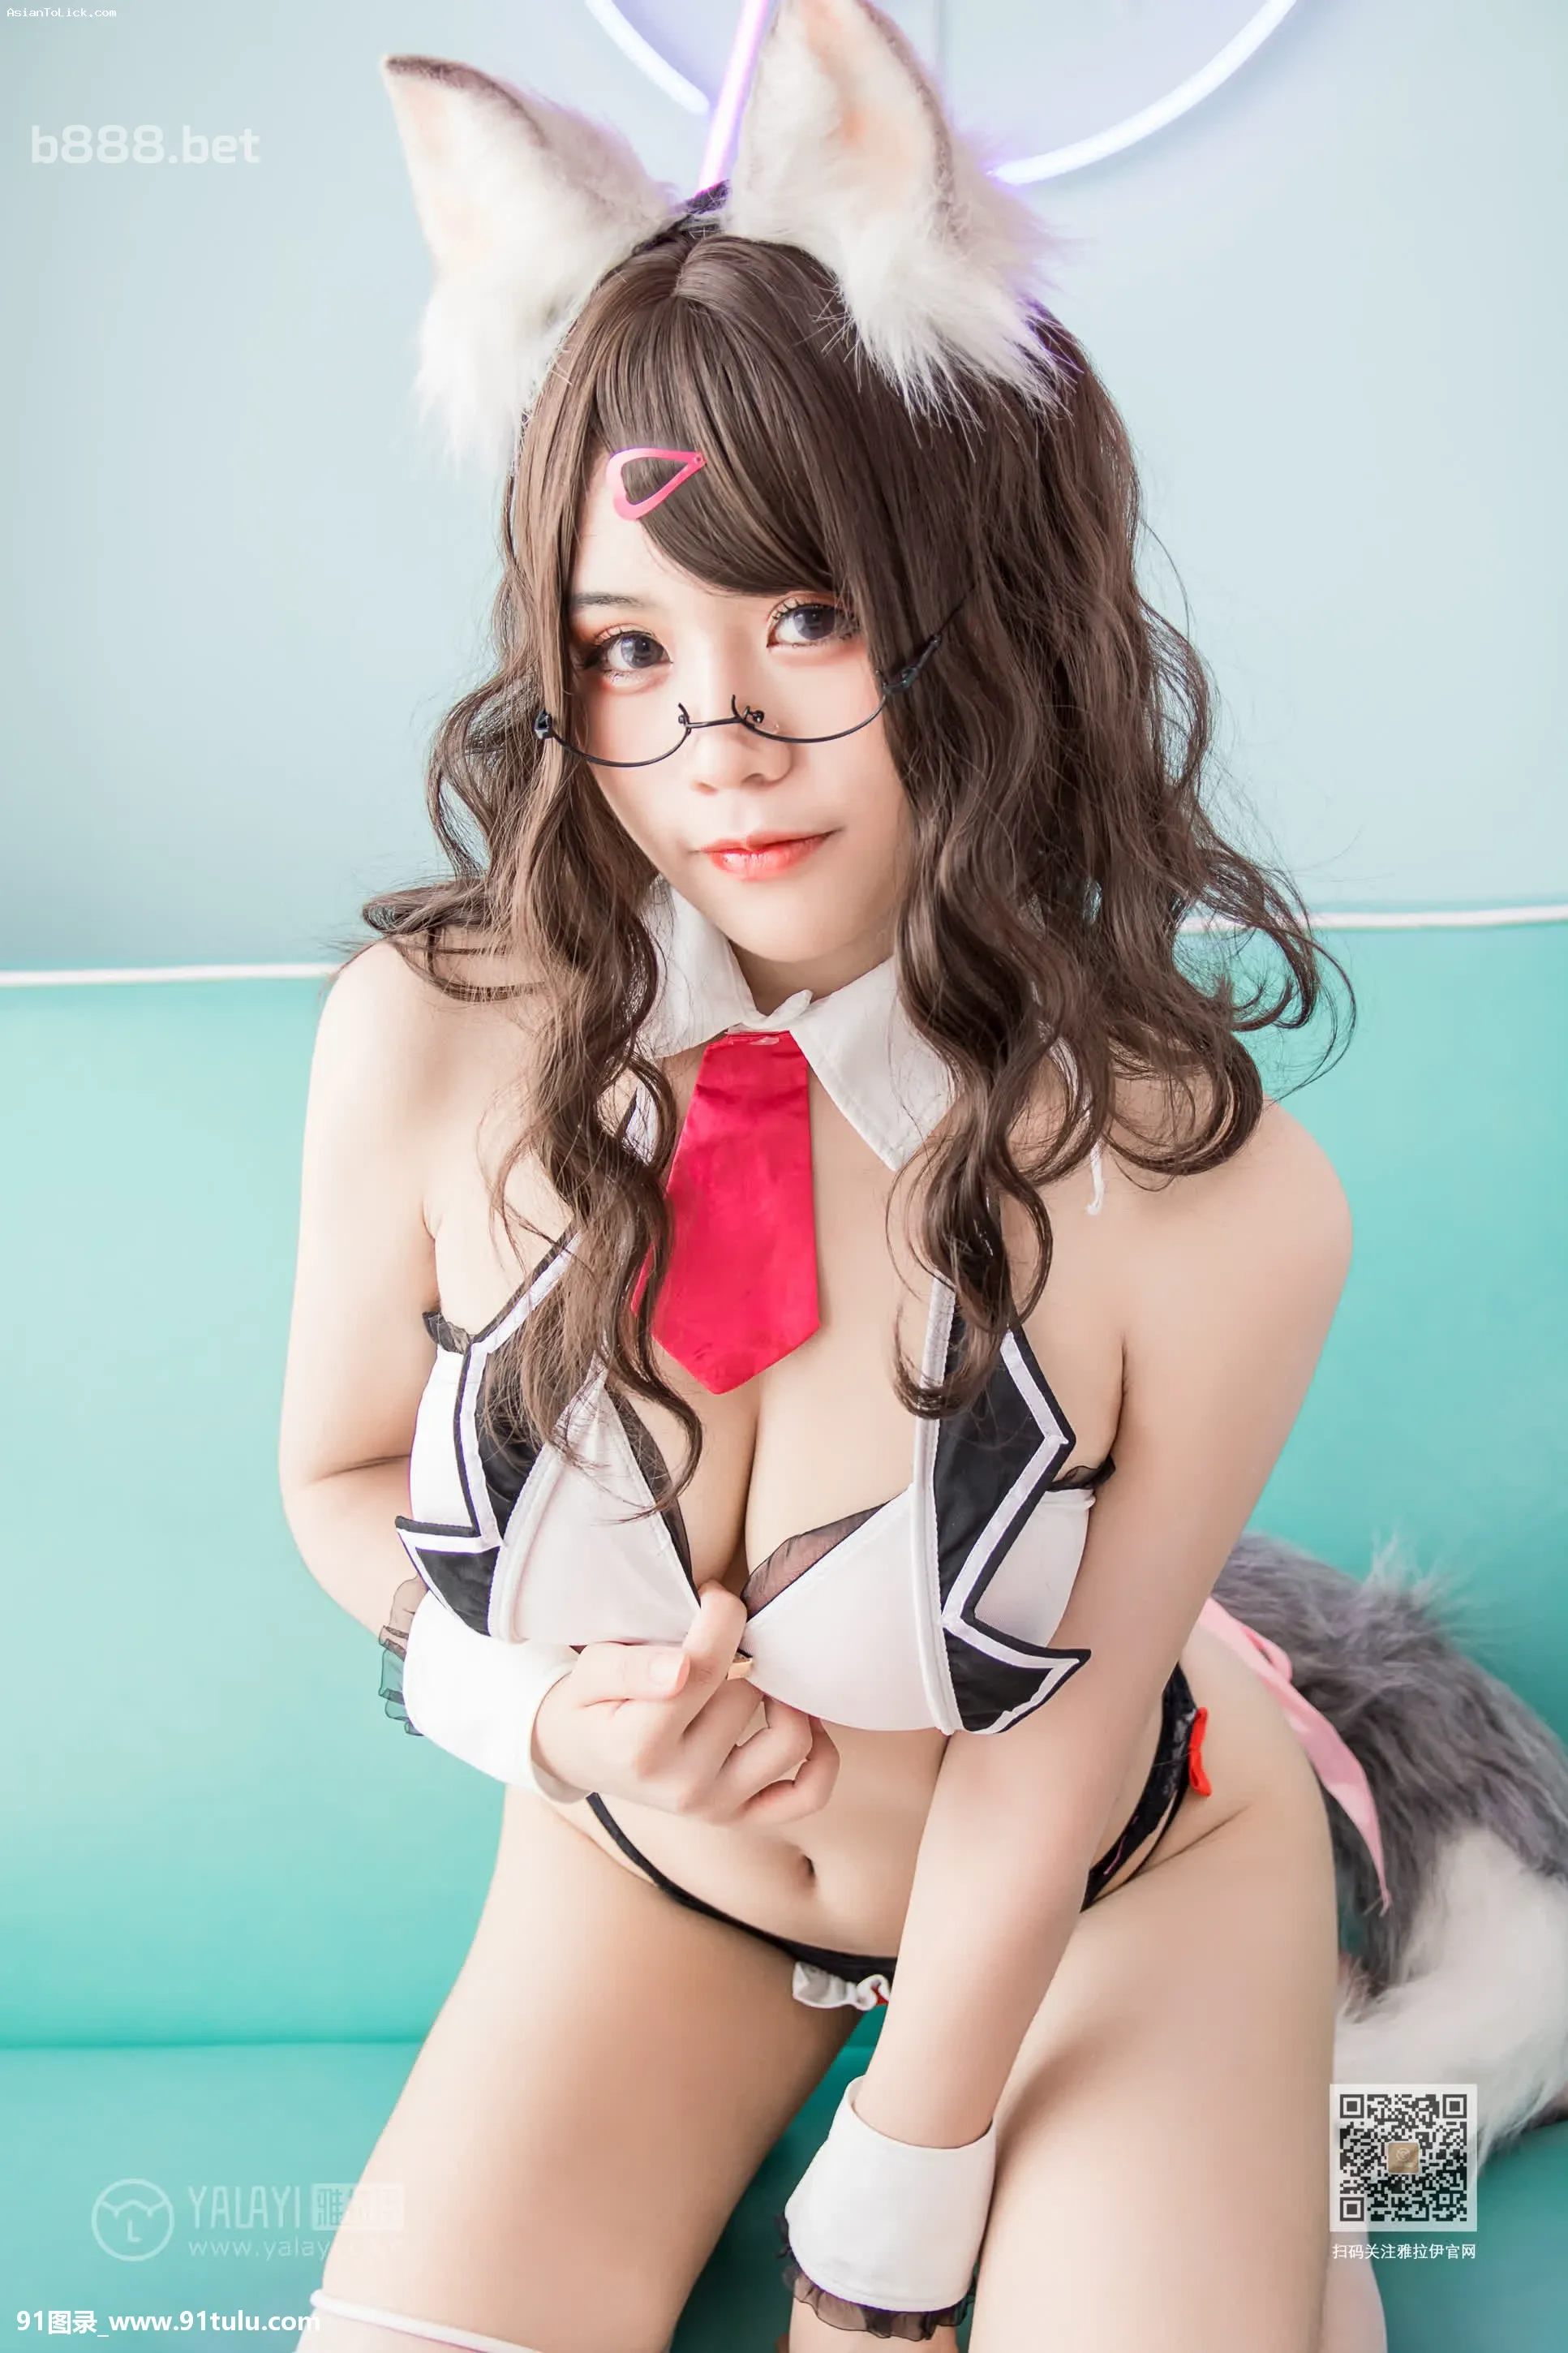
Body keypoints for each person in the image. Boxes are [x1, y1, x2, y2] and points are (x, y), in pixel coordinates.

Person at [278, 4, 1397, 2347]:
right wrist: (533, 1715)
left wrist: (893, 2208)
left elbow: (1063, 1730)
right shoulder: (424, 1039)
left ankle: (1326, 2141)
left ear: (986, 612)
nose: (721, 737)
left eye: (808, 614)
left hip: (1117, 1887)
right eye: (628, 644)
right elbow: (342, 1473)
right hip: (643, 1881)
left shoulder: (1202, 1187)